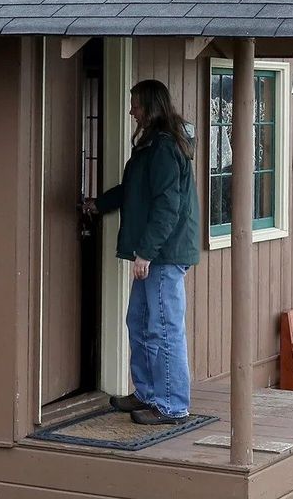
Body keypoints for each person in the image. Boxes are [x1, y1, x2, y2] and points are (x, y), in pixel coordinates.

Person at [87, 79, 200, 425]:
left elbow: (168, 206)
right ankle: (147, 393)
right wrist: (98, 204)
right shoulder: (152, 145)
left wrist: (146, 252)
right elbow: (134, 190)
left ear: (150, 107)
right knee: (138, 321)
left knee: (163, 327)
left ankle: (172, 405)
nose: (131, 110)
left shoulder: (164, 148)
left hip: (165, 254)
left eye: (135, 104)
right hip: (158, 252)